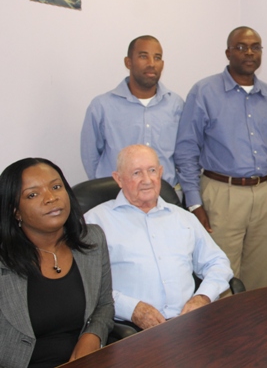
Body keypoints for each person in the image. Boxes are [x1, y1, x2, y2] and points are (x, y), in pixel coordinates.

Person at [174, 26, 267, 291]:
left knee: (261, 281)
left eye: (255, 47)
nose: (249, 52)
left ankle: (258, 332)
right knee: (220, 278)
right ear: (228, 52)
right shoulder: (204, 92)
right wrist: (195, 204)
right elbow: (186, 150)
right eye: (241, 47)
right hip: (222, 194)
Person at [84, 145, 233, 330]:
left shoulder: (183, 218)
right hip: (132, 331)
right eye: (136, 173)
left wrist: (203, 297)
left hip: (190, 324)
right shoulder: (95, 221)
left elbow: (218, 263)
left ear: (160, 173)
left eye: (152, 171)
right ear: (118, 179)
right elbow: (88, 284)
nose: (147, 180)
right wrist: (131, 309)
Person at [0, 158, 114, 368]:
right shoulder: (3, 262)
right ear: (15, 211)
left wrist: (92, 337)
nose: (51, 198)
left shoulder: (93, 240)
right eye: (33, 194)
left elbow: (104, 304)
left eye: (56, 186)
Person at [80, 35, 184, 189]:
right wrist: (104, 189)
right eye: (143, 56)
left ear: (162, 64)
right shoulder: (102, 106)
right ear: (128, 62)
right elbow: (90, 157)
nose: (151, 64)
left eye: (157, 58)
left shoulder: (176, 104)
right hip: (116, 196)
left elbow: (184, 154)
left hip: (165, 196)